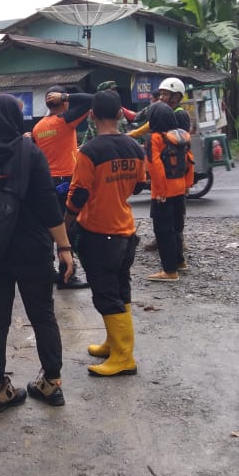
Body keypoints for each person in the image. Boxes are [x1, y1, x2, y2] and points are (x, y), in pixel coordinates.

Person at [0, 94, 75, 414]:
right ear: (15, 118)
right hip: (32, 249)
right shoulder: (31, 153)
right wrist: (65, 248)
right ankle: (51, 384)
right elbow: (48, 208)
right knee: (43, 316)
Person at [66, 91, 146, 377]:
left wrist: (65, 225)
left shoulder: (90, 151)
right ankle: (114, 343)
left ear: (91, 115)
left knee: (105, 294)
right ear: (120, 115)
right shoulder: (135, 147)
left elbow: (79, 194)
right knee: (120, 288)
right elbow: (138, 186)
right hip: (125, 229)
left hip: (100, 231)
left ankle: (124, 358)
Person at [31, 85, 93, 289]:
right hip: (65, 182)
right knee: (67, 229)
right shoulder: (64, 122)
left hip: (47, 182)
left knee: (51, 228)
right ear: (64, 103)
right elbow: (94, 99)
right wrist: (67, 95)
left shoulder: (39, 127)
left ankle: (48, 273)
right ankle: (67, 275)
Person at [145, 103, 193, 282]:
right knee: (176, 227)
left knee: (163, 231)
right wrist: (187, 185)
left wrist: (160, 191)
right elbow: (190, 161)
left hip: (163, 192)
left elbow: (155, 165)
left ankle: (169, 271)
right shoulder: (181, 136)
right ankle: (180, 262)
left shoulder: (154, 138)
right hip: (180, 188)